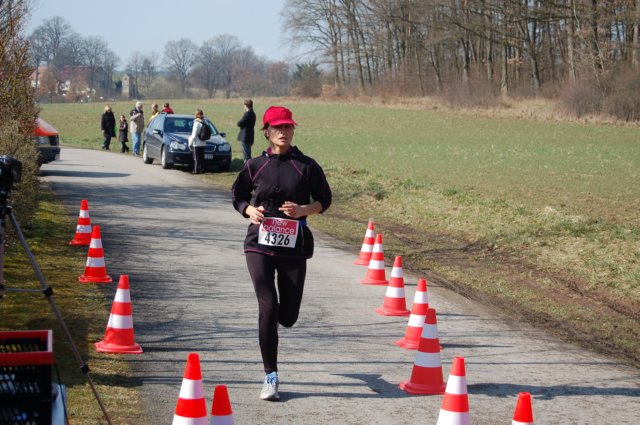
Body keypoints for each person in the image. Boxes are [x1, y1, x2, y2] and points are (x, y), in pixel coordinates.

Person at [231, 106, 332, 402]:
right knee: (267, 305)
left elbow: (325, 199)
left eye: (288, 127)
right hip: (258, 244)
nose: (283, 132)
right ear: (266, 131)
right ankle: (270, 376)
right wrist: (248, 210)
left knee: (287, 316)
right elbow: (238, 196)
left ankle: (274, 321)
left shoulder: (306, 166)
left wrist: (303, 210)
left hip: (293, 246)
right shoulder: (255, 165)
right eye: (278, 127)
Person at [236, 99, 256, 163]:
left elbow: (239, 123)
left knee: (246, 156)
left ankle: (247, 167)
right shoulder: (253, 114)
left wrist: (241, 124)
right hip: (250, 136)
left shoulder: (247, 114)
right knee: (248, 153)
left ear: (246, 105)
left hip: (245, 136)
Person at [188, 109, 207, 174]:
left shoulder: (196, 123)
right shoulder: (203, 122)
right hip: (203, 143)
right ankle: (201, 170)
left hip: (197, 143)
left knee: (196, 158)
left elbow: (194, 134)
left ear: (197, 115)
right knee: (201, 157)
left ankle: (196, 170)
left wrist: (190, 143)